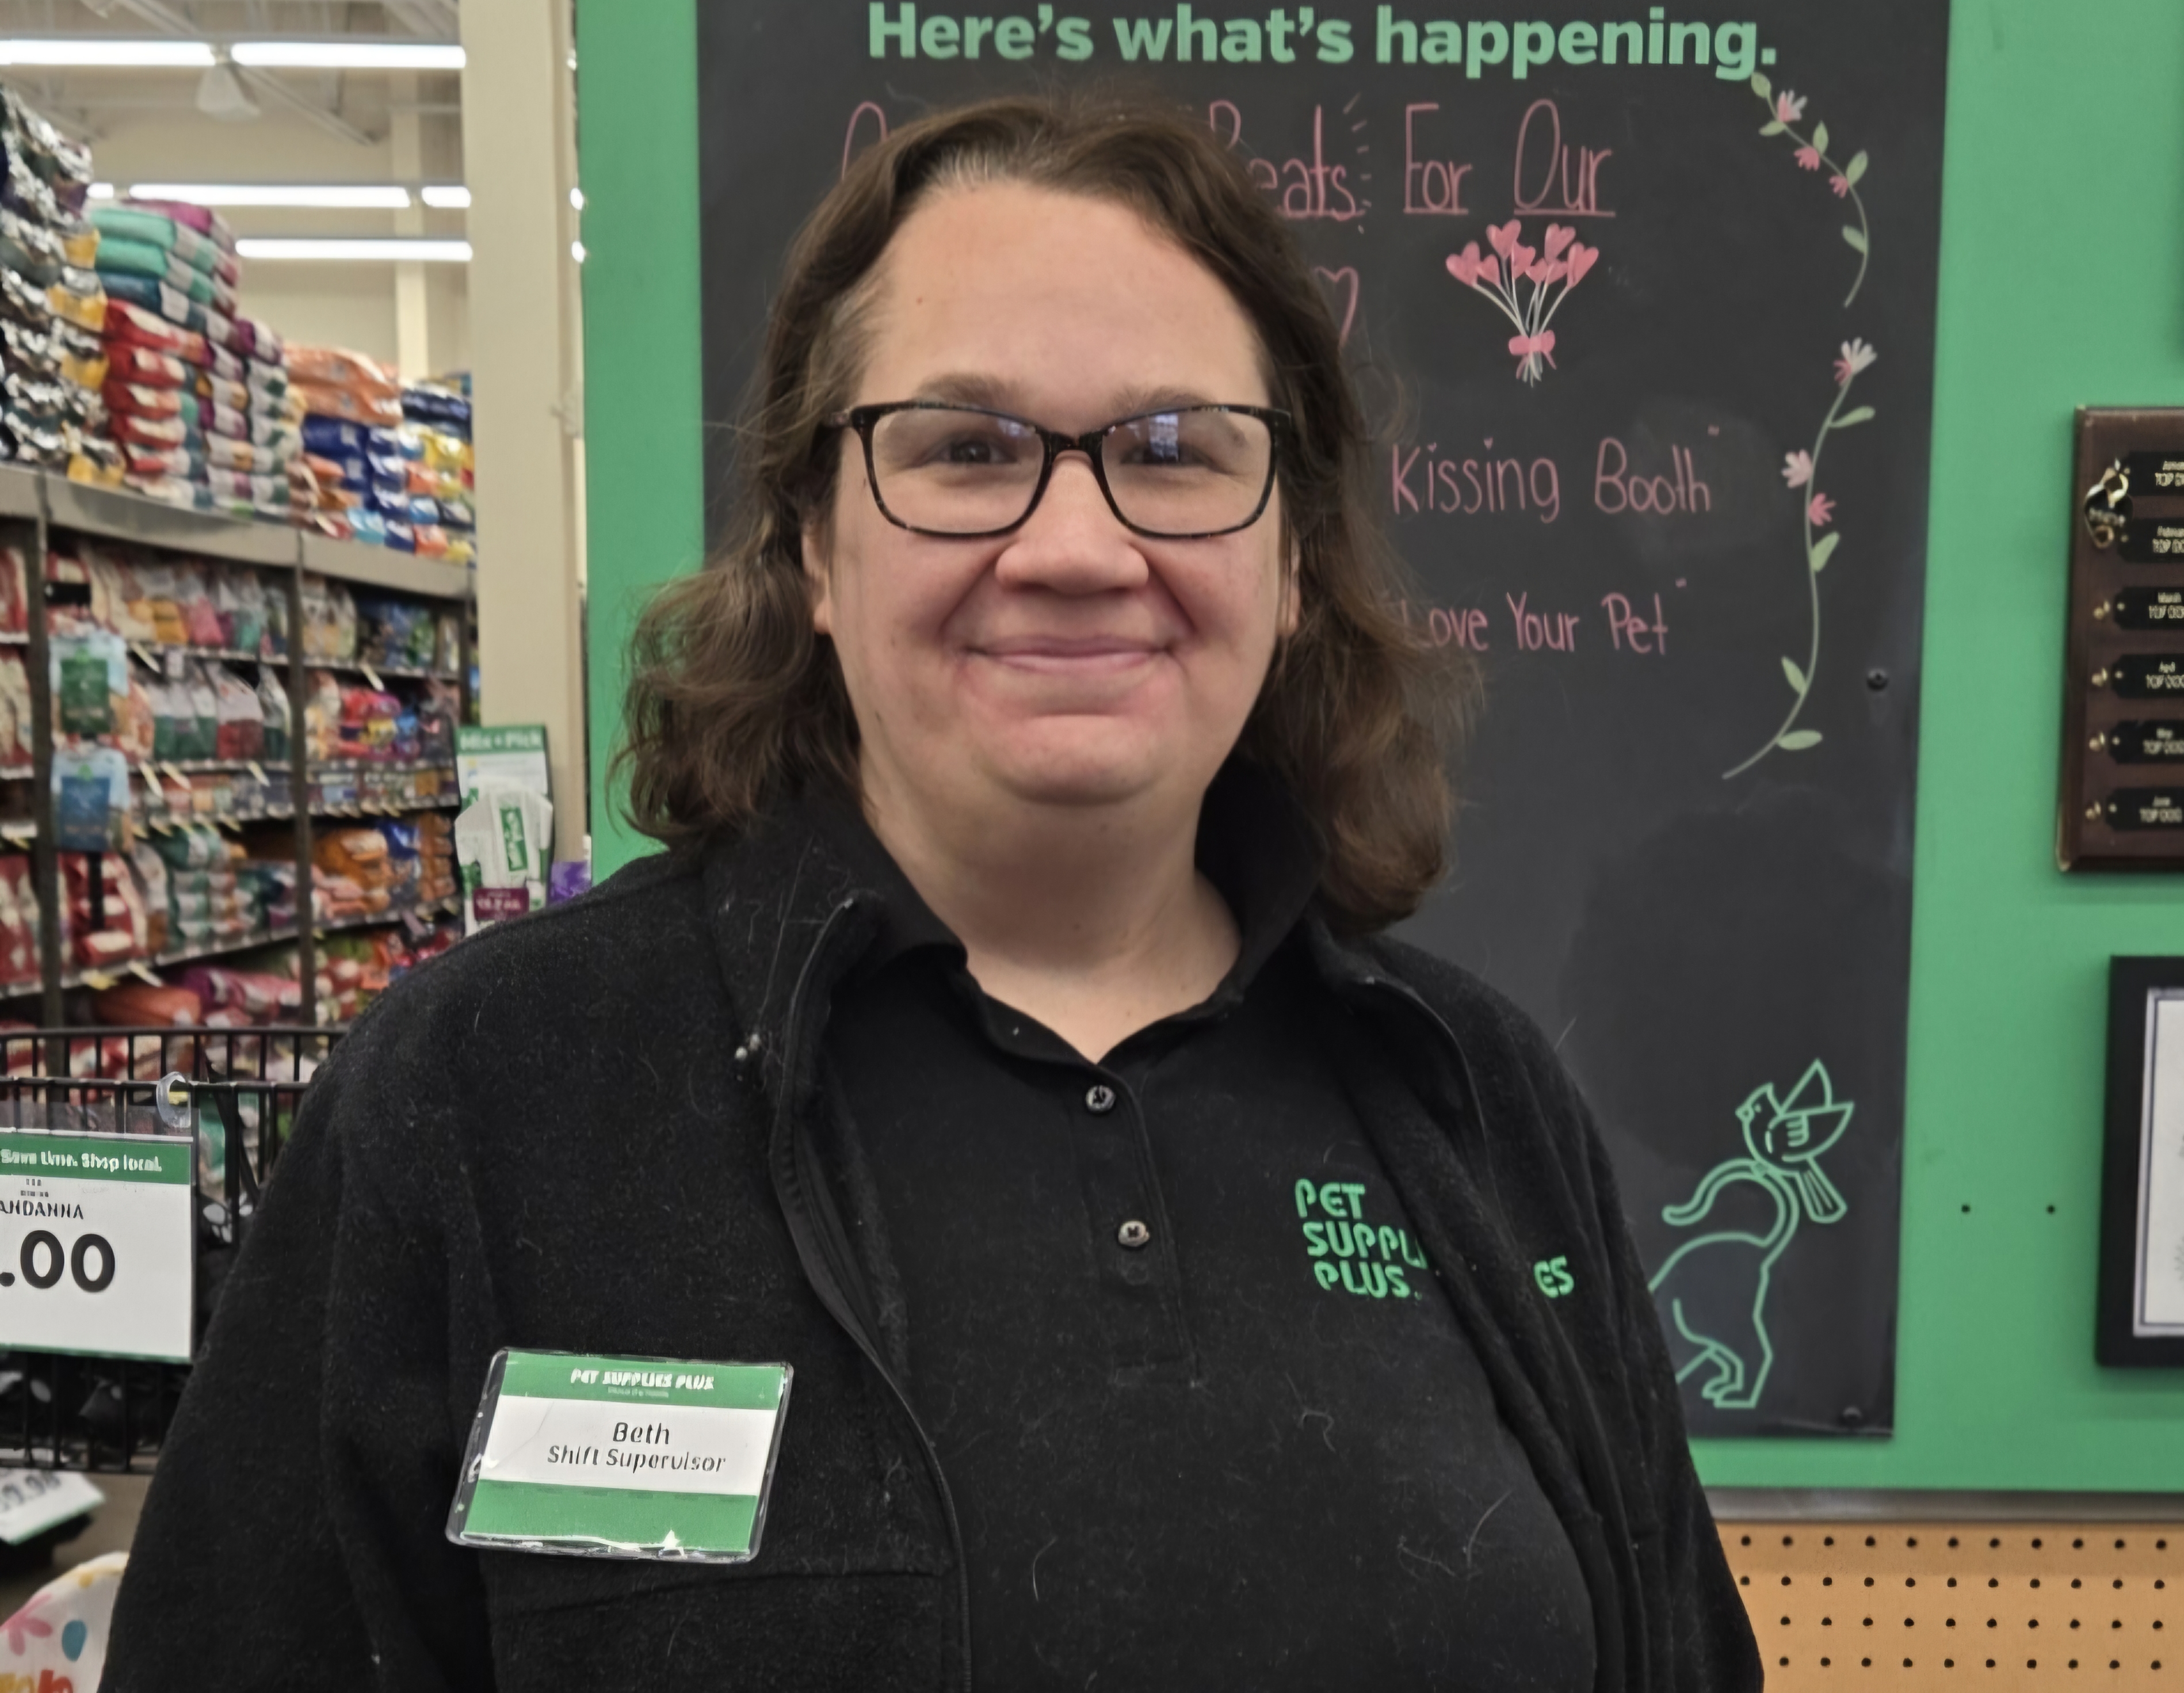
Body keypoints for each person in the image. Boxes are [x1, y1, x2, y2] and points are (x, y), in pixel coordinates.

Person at [105, 93, 1759, 1692]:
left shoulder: (1477, 1101)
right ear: (813, 546)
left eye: (1175, 450)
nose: (1075, 547)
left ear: (1295, 555)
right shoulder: (481, 1095)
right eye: (966, 448)